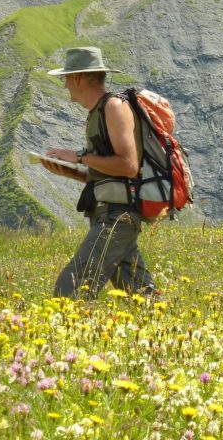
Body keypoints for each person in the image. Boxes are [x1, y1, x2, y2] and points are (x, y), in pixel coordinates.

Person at [41, 46, 159, 300]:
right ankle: (168, 333)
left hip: (117, 216)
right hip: (110, 213)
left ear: (79, 78)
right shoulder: (97, 113)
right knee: (139, 293)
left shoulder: (114, 107)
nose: (65, 86)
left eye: (66, 79)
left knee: (71, 287)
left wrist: (80, 157)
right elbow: (111, 173)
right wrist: (71, 172)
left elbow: (128, 165)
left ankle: (66, 337)